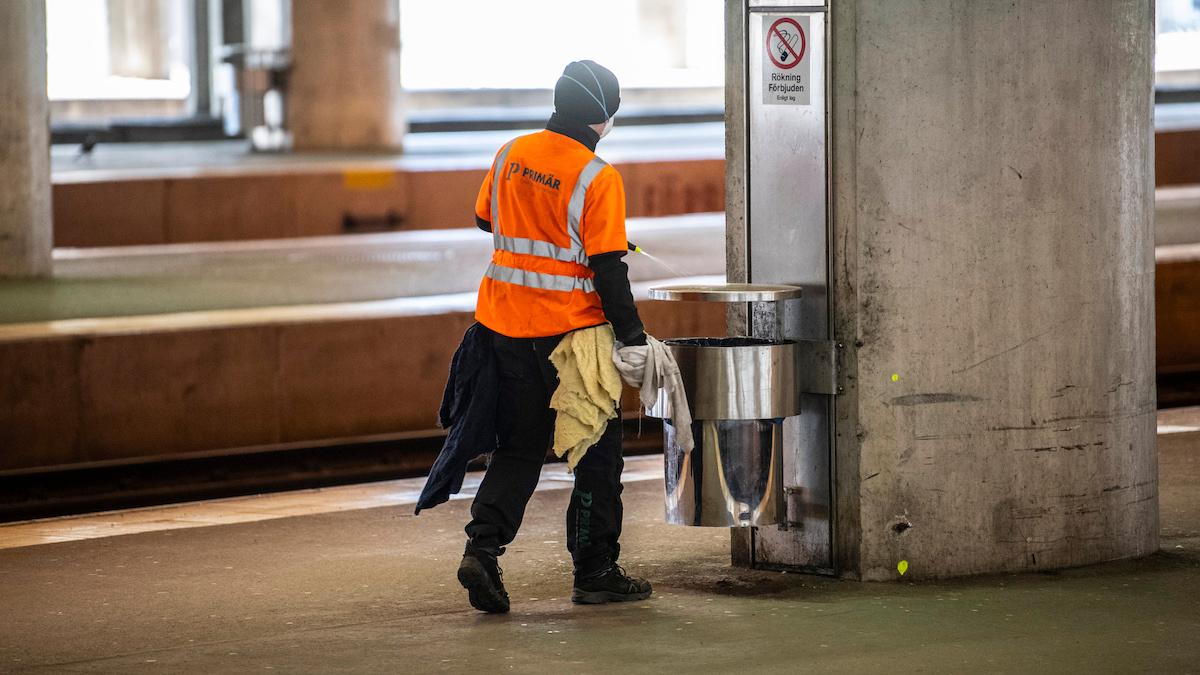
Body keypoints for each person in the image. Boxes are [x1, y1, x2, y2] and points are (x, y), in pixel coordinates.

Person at [455, 60, 653, 614]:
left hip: (503, 327)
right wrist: (632, 338)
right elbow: (609, 269)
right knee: (595, 453)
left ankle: (483, 548)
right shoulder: (597, 175)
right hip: (572, 337)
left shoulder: (511, 152)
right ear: (602, 116)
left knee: (518, 447)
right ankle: (595, 571)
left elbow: (484, 219)